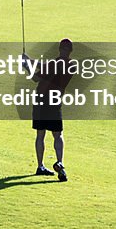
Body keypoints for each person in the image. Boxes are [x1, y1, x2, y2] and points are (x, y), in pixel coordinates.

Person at [26, 38, 73, 182]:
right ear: (70, 51)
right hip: (54, 102)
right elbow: (44, 65)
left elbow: (35, 78)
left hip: (41, 101)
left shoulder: (52, 64)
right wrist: (30, 61)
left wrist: (26, 66)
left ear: (59, 49)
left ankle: (40, 166)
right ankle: (60, 162)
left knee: (40, 135)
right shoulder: (72, 65)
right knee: (57, 135)